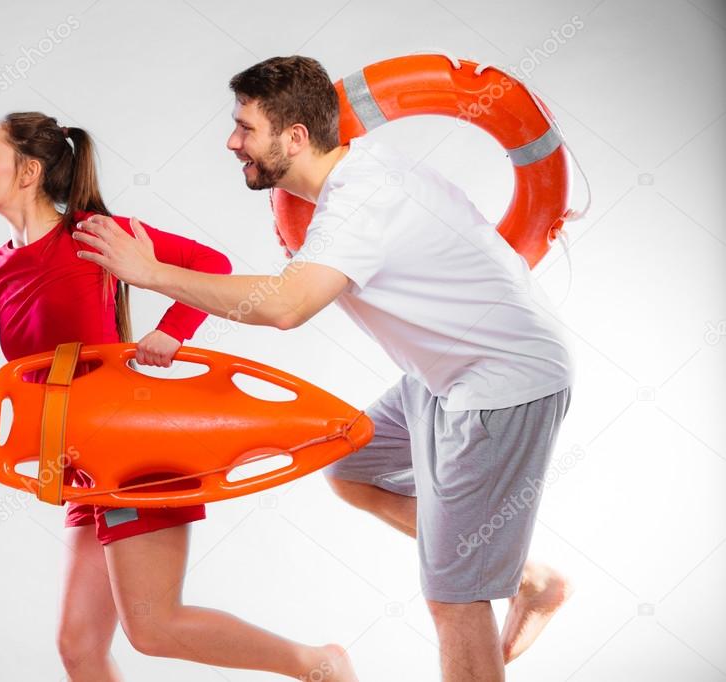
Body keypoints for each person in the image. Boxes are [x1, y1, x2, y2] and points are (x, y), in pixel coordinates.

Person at [0, 112, 357, 681]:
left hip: (133, 456)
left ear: (29, 171)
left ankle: (316, 665)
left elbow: (210, 265)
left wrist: (172, 330)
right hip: (79, 470)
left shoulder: (92, 234)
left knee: (154, 628)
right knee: (79, 648)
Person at [72, 56, 575, 682]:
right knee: (350, 464)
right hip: (442, 375)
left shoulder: (364, 200)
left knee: (454, 598)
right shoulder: (356, 182)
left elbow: (287, 306)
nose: (232, 142)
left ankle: (484, 572)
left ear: (296, 137)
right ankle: (525, 573)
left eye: (245, 128)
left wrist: (149, 274)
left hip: (503, 381)